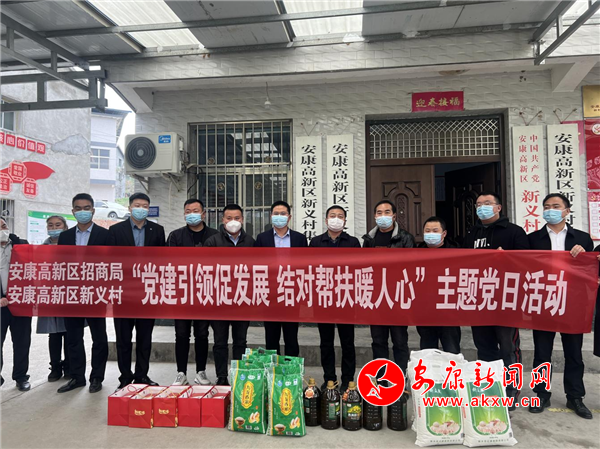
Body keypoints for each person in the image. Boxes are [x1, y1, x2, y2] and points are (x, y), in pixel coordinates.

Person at [527, 193, 594, 419]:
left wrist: (584, 255)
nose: (550, 210)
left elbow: (590, 269)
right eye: (546, 207)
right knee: (542, 352)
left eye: (556, 206)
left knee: (574, 352)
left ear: (567, 210)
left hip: (572, 302)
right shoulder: (532, 239)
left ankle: (575, 397)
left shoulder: (582, 239)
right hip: (542, 300)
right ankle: (541, 394)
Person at [463, 191, 529, 408]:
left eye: (487, 203)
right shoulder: (472, 233)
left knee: (508, 347)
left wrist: (507, 258)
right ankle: (490, 388)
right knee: (484, 347)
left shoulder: (514, 232)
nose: (481, 207)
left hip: (506, 301)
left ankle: (511, 391)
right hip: (479, 300)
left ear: (498, 207)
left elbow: (527, 263)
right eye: (478, 204)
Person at [107, 192, 165, 389]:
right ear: (130, 207)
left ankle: (142, 375)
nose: (141, 209)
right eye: (137, 205)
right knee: (123, 338)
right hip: (123, 292)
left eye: (145, 206)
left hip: (147, 292)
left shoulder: (157, 230)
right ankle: (125, 377)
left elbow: (162, 260)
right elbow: (110, 261)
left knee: (144, 337)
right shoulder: (116, 230)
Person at [56, 194, 110, 393]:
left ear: (93, 211)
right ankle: (77, 377)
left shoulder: (105, 235)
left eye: (86, 208)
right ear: (73, 211)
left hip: (96, 293)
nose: (82, 212)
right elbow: (60, 265)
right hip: (72, 294)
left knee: (99, 338)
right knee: (73, 338)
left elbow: (112, 264)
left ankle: (97, 377)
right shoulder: (65, 237)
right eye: (78, 208)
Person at [310, 205, 360, 392]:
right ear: (326, 220)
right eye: (332, 216)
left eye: (340, 216)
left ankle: (347, 380)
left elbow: (357, 268)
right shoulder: (316, 242)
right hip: (323, 298)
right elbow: (310, 269)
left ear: (345, 221)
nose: (336, 219)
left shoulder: (353, 242)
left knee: (347, 342)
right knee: (326, 342)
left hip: (345, 298)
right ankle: (329, 379)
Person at [168, 199, 218, 386]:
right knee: (181, 334)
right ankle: (181, 373)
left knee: (202, 334)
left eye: (195, 211)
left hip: (206, 292)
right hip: (182, 293)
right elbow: (169, 263)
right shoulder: (175, 236)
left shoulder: (215, 235)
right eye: (188, 211)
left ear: (203, 214)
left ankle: (201, 372)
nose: (192, 214)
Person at [362, 200, 415, 374]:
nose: (382, 216)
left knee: (400, 341)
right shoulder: (369, 239)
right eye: (379, 213)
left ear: (394, 216)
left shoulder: (405, 238)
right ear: (374, 216)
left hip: (397, 297)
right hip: (376, 297)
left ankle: (401, 378)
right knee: (378, 341)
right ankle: (381, 378)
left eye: (386, 212)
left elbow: (411, 268)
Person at [205, 204, 255, 385]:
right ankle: (222, 377)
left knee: (240, 341)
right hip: (219, 300)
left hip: (242, 299)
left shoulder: (251, 242)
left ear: (242, 220)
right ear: (223, 220)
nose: (233, 221)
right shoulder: (212, 242)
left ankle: (239, 376)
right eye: (229, 218)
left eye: (237, 218)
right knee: (220, 341)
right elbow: (206, 270)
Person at [254, 201, 308, 357]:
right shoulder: (262, 238)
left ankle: (291, 369)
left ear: (289, 217)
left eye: (283, 214)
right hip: (270, 293)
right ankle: (273, 369)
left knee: (291, 336)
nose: (279, 216)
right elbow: (256, 265)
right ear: (271, 216)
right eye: (276, 214)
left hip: (292, 292)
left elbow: (305, 266)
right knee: (271, 336)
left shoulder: (299, 239)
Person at [416, 216, 461, 354]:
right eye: (427, 231)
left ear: (444, 233)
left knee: (451, 350)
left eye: (435, 231)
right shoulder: (416, 252)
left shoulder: (457, 252)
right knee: (427, 351)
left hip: (448, 310)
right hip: (425, 310)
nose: (431, 234)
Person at [36, 215, 71, 382]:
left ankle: (69, 366)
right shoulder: (41, 248)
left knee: (70, 332)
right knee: (54, 334)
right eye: (50, 225)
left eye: (58, 225)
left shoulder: (72, 246)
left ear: (65, 227)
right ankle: (55, 367)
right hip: (50, 295)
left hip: (69, 294)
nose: (54, 228)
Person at [0, 218, 31, 391]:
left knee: (22, 342)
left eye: (3, 226)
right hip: (0, 304)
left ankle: (21, 376)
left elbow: (34, 269)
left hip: (21, 302)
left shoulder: (22, 244)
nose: (2, 230)